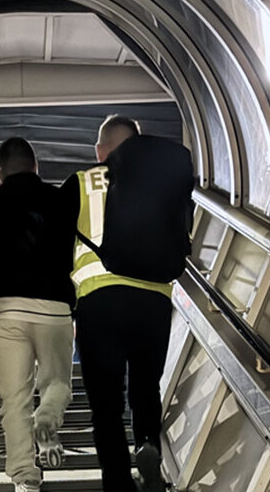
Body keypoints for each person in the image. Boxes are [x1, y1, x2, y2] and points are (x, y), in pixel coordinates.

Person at [62, 115, 184, 492]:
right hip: (153, 299)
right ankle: (147, 442)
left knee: (106, 403)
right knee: (146, 385)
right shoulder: (158, 181)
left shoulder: (80, 183)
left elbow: (57, 246)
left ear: (100, 150)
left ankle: (117, 482)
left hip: (99, 301)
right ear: (138, 146)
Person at [0, 137, 75, 492]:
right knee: (57, 384)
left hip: (5, 310)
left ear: (0, 172)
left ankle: (25, 477)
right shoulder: (61, 200)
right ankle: (47, 416)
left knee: (14, 399)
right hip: (54, 307)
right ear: (36, 166)